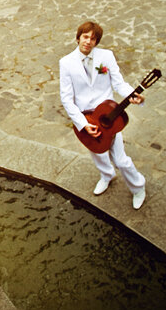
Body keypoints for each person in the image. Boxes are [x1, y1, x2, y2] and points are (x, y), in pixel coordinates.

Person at [59, 21, 147, 210]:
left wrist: (133, 94)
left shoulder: (106, 57)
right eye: (85, 37)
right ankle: (107, 175)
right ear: (78, 37)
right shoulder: (65, 63)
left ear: (96, 41)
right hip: (87, 120)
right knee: (97, 153)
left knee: (121, 160)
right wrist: (82, 124)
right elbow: (67, 99)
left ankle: (139, 187)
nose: (88, 41)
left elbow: (118, 84)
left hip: (109, 117)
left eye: (93, 38)